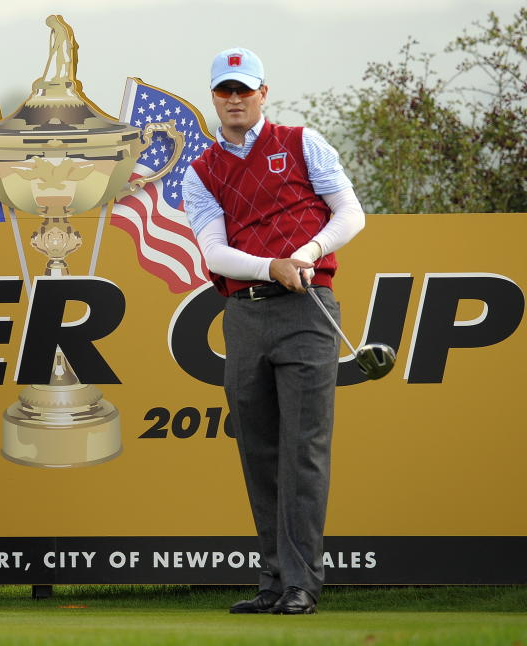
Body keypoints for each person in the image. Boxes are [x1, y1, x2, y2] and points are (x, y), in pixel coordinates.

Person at [181, 47, 365, 615]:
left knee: (303, 451)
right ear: (214, 97)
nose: (234, 99)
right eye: (224, 90)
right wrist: (271, 266)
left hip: (308, 309)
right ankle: (274, 581)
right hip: (245, 314)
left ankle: (302, 584)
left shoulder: (302, 143)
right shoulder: (202, 170)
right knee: (259, 450)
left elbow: (350, 214)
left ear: (263, 93)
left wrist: (304, 254)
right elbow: (214, 251)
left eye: (244, 89)